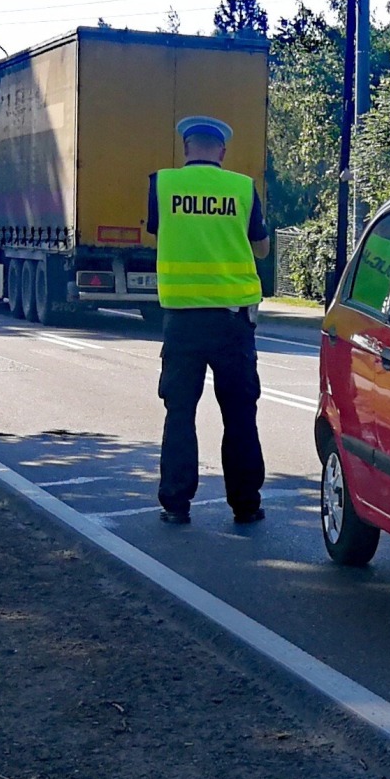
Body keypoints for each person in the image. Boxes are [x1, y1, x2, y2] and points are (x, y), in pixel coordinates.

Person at [147, 115, 270, 526]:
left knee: (179, 412)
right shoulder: (241, 188)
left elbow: (156, 233)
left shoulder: (162, 185)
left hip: (182, 321)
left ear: (186, 149)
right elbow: (264, 248)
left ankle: (176, 504)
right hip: (233, 321)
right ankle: (246, 505)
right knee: (239, 413)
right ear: (222, 151)